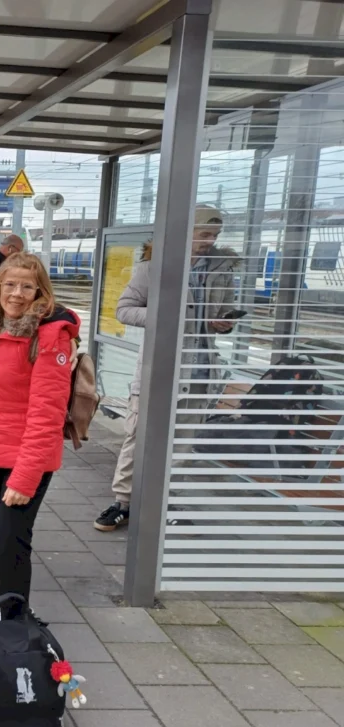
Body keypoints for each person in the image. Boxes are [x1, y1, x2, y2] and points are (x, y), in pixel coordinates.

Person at [95, 204, 239, 532]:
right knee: (138, 435)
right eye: (204, 234)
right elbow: (124, 310)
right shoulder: (153, 268)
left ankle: (163, 503)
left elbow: (224, 311)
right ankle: (123, 503)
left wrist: (223, 323)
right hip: (158, 369)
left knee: (182, 440)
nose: (209, 240)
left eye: (214, 235)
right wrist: (162, 316)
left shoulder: (221, 269)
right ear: (185, 231)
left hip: (200, 368)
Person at [0, 253, 80, 599]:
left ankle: (15, 619)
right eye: (10, 284)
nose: (17, 293)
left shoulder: (49, 337)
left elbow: (48, 414)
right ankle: (9, 606)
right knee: (1, 537)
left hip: (24, 456)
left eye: (27, 287)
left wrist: (24, 477)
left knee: (13, 540)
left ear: (40, 292)